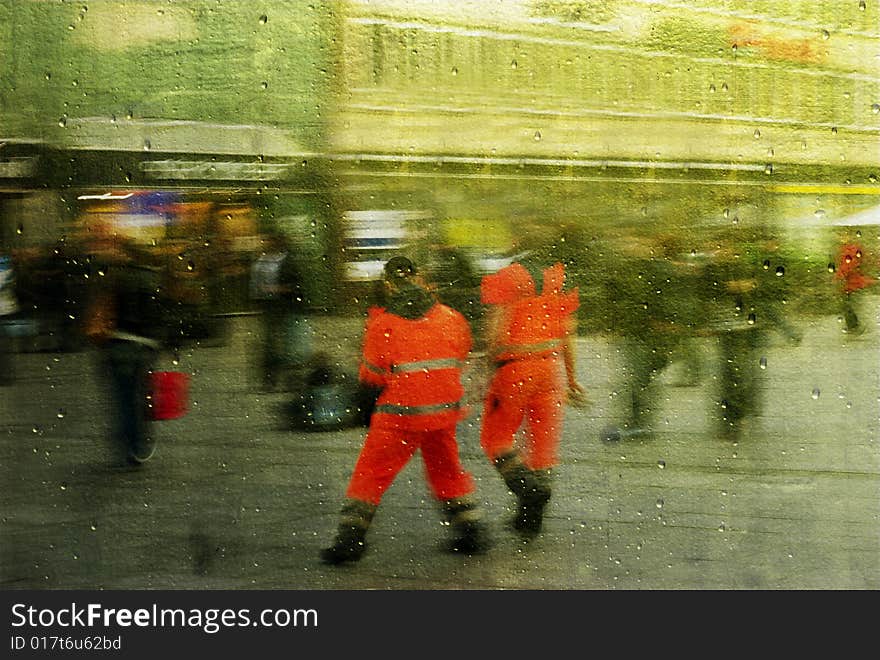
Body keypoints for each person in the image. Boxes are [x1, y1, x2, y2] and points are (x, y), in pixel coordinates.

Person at [320, 256, 490, 564]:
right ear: (421, 280)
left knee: (371, 473)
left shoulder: (382, 324)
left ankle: (350, 539)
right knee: (446, 469)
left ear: (388, 285)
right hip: (443, 412)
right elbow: (460, 356)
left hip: (400, 414)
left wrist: (363, 411)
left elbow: (371, 376)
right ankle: (471, 529)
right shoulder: (451, 317)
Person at [478, 259, 584, 538]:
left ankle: (529, 491)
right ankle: (530, 519)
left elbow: (496, 331)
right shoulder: (559, 279)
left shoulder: (506, 277)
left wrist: (489, 366)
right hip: (550, 369)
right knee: (542, 446)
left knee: (495, 439)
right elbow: (568, 332)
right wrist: (571, 378)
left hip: (514, 368)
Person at [83, 230, 170, 466]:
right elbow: (160, 314)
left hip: (119, 345)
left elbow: (101, 313)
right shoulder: (152, 279)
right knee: (141, 394)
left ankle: (129, 443)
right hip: (145, 346)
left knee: (123, 397)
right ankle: (141, 441)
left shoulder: (112, 278)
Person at [249, 232, 308, 391]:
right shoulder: (261, 261)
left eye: (271, 241)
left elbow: (297, 285)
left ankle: (291, 380)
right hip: (270, 308)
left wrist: (278, 289)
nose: (268, 244)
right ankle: (270, 380)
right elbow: (255, 286)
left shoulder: (289, 261)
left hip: (287, 307)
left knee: (290, 346)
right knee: (271, 345)